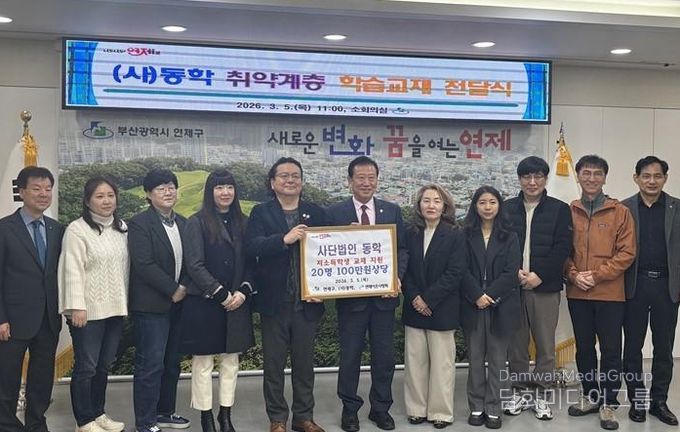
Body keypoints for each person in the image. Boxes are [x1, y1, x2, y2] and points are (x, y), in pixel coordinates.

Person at [325, 156, 409, 432]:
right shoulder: (335, 213)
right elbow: (323, 251)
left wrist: (396, 276)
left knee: (384, 358)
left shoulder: (391, 210)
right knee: (350, 357)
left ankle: (380, 408)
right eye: (360, 177)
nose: (366, 182)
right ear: (350, 181)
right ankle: (350, 409)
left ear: (377, 180)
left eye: (371, 177)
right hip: (352, 301)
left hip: (384, 300)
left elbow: (402, 250)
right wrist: (343, 235)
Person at [244, 157, 327, 432]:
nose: (290, 180)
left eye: (295, 176)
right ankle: (277, 419)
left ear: (302, 181)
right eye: (284, 176)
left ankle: (304, 417)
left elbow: (331, 247)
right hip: (274, 301)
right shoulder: (261, 212)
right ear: (272, 182)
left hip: (308, 301)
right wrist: (283, 239)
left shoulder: (316, 212)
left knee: (304, 365)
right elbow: (252, 247)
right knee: (274, 365)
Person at [565, 155, 635, 431]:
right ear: (578, 176)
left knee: (610, 350)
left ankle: (608, 402)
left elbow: (626, 253)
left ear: (605, 177)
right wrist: (573, 274)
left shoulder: (620, 212)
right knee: (584, 349)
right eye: (586, 173)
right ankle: (590, 396)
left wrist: (595, 276)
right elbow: (561, 250)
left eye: (597, 173)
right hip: (577, 292)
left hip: (609, 293)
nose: (591, 178)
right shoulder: (569, 210)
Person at [181, 170, 255, 432]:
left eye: (229, 187)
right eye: (219, 187)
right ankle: (206, 417)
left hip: (237, 302)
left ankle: (225, 415)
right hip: (205, 303)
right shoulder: (196, 222)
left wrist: (243, 291)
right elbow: (194, 265)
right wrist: (221, 293)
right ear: (210, 192)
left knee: (230, 362)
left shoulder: (244, 222)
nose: (225, 193)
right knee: (202, 363)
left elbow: (252, 262)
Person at [504, 156, 572, 421]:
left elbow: (563, 246)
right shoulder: (507, 208)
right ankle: (520, 391)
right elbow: (500, 245)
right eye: (527, 177)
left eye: (538, 176)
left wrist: (539, 275)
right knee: (516, 345)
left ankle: (542, 393)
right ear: (520, 179)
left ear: (545, 179)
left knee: (545, 345)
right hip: (513, 287)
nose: (532, 182)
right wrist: (513, 272)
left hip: (545, 288)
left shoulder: (559, 209)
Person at [58, 176, 129, 432]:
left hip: (115, 309)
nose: (106, 201)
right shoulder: (77, 230)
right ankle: (84, 421)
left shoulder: (121, 228)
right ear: (88, 201)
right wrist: (76, 306)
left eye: (110, 195)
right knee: (86, 368)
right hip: (86, 313)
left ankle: (99, 413)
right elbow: (71, 270)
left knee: (103, 367)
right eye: (99, 196)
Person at [0, 166, 65, 432]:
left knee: (41, 378)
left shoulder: (57, 229)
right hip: (12, 321)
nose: (43, 194)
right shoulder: (4, 228)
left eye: (48, 189)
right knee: (7, 378)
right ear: (22, 191)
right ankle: (6, 425)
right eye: (36, 188)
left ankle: (37, 423)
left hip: (48, 318)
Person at [128, 169, 192, 432]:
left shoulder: (184, 223)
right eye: (161, 188)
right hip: (151, 305)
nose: (168, 192)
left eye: (171, 187)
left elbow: (193, 261)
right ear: (148, 194)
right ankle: (145, 421)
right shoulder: (139, 223)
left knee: (172, 362)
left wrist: (183, 287)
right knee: (150, 364)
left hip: (180, 303)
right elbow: (143, 263)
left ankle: (165, 412)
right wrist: (172, 289)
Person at [401, 184, 466, 429]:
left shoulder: (455, 234)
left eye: (437, 201)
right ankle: (416, 409)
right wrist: (415, 297)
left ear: (444, 206)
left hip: (442, 307)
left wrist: (428, 299)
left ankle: (440, 412)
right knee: (415, 362)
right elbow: (404, 269)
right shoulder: (410, 232)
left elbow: (455, 272)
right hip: (413, 305)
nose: (431, 205)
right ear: (419, 205)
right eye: (426, 200)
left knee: (442, 364)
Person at [622, 156, 679, 426]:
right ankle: (637, 401)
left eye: (657, 176)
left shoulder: (677, 208)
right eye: (646, 176)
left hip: (667, 287)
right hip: (634, 285)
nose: (652, 181)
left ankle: (659, 401)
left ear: (665, 178)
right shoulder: (624, 208)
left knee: (664, 348)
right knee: (632, 347)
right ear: (636, 178)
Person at [461, 186, 520, 430]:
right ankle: (476, 406)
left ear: (499, 206)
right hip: (472, 303)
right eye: (482, 202)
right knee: (475, 358)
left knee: (497, 359)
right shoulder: (465, 234)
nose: (487, 207)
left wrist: (490, 295)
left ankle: (494, 407)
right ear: (475, 206)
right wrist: (477, 295)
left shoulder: (510, 236)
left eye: (492, 202)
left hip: (500, 303)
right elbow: (460, 269)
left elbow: (511, 272)